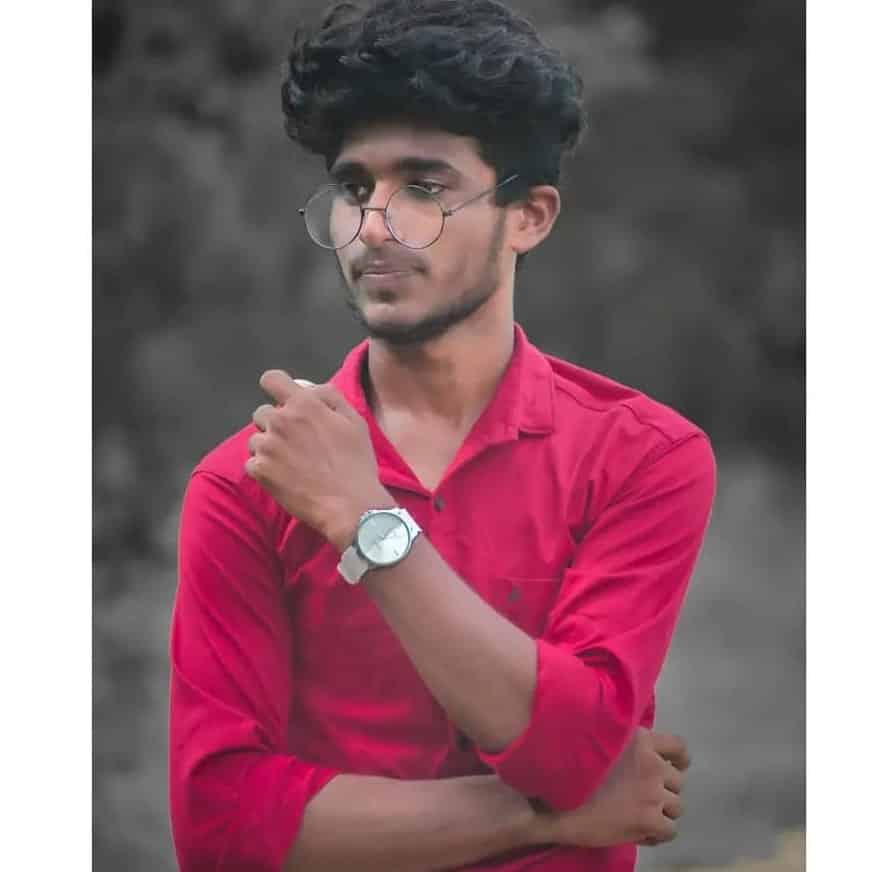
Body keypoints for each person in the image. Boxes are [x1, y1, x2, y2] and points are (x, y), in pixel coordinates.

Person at [168, 1, 716, 870]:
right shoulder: (249, 480)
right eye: (355, 189)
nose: (373, 225)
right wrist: (542, 818)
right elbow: (221, 830)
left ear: (529, 216)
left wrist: (366, 524)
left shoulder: (643, 457)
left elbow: (568, 753)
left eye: (423, 187)